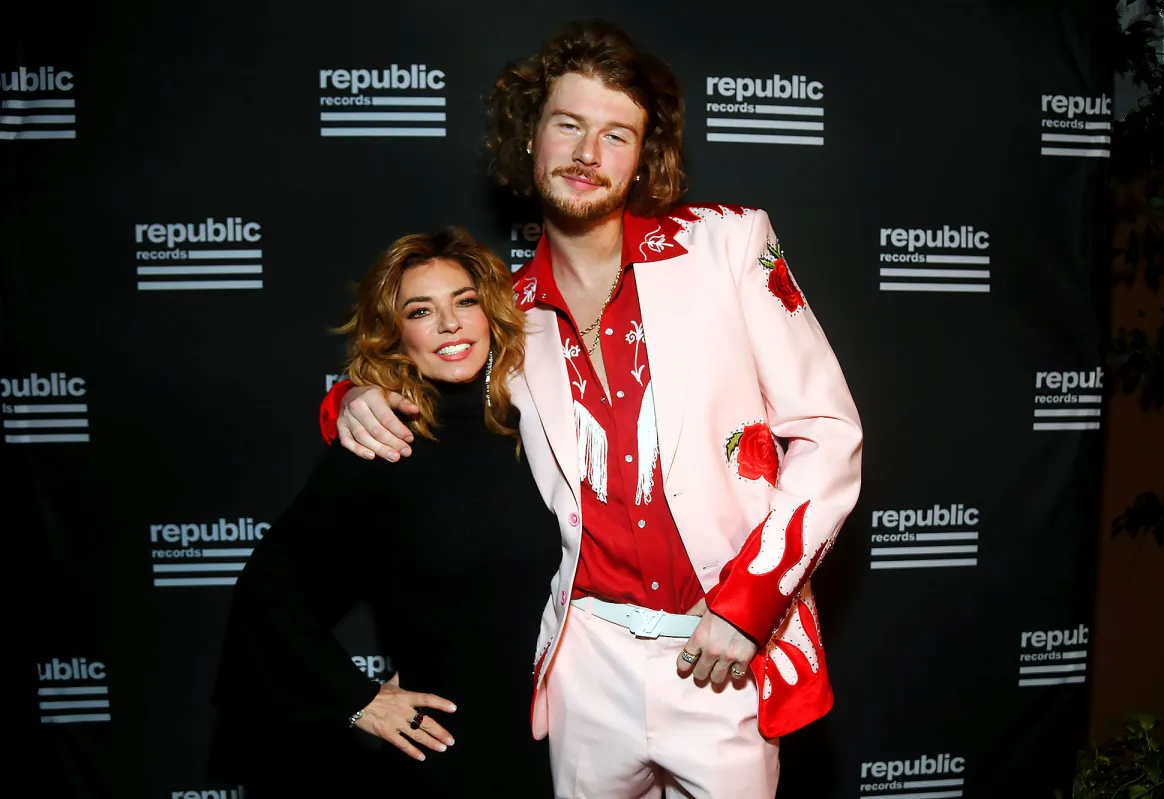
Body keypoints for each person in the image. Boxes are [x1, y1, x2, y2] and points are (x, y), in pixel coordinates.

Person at [319, 20, 864, 799]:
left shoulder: (728, 245)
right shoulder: (504, 313)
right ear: (530, 136)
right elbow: (416, 373)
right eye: (568, 125)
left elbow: (829, 434)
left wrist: (749, 606)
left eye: (616, 135)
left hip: (722, 652)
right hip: (585, 665)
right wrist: (351, 398)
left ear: (644, 155)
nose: (587, 153)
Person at [208, 228, 560, 797]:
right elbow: (269, 591)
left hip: (567, 743)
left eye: (465, 302)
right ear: (395, 335)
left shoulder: (540, 428)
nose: (449, 324)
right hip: (448, 755)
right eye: (421, 311)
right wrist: (359, 700)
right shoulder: (384, 441)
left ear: (492, 314)